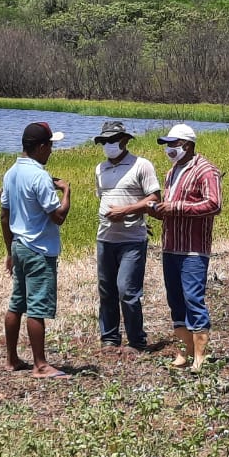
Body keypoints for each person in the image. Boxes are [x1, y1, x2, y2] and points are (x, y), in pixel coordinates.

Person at [147, 124, 222, 373]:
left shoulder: (206, 170)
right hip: (170, 245)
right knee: (175, 300)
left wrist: (177, 207)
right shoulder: (172, 172)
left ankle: (200, 355)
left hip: (193, 247)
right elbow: (171, 206)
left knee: (193, 298)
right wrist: (159, 211)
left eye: (173, 144)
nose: (169, 149)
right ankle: (185, 350)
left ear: (187, 145)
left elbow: (214, 204)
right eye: (167, 144)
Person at [0, 121, 71, 379]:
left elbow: (4, 216)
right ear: (40, 147)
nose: (52, 150)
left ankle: (11, 359)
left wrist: (9, 251)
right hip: (39, 249)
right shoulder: (40, 176)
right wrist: (66, 191)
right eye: (50, 145)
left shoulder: (11, 173)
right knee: (37, 307)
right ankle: (40, 365)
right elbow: (58, 217)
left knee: (16, 303)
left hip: (19, 246)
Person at [93, 121, 162, 354]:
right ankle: (110, 339)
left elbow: (154, 199)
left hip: (132, 239)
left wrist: (126, 211)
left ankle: (136, 341)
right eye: (104, 142)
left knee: (127, 291)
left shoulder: (142, 165)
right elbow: (103, 198)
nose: (108, 145)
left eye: (112, 141)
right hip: (105, 239)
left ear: (124, 140)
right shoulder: (99, 169)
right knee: (107, 291)